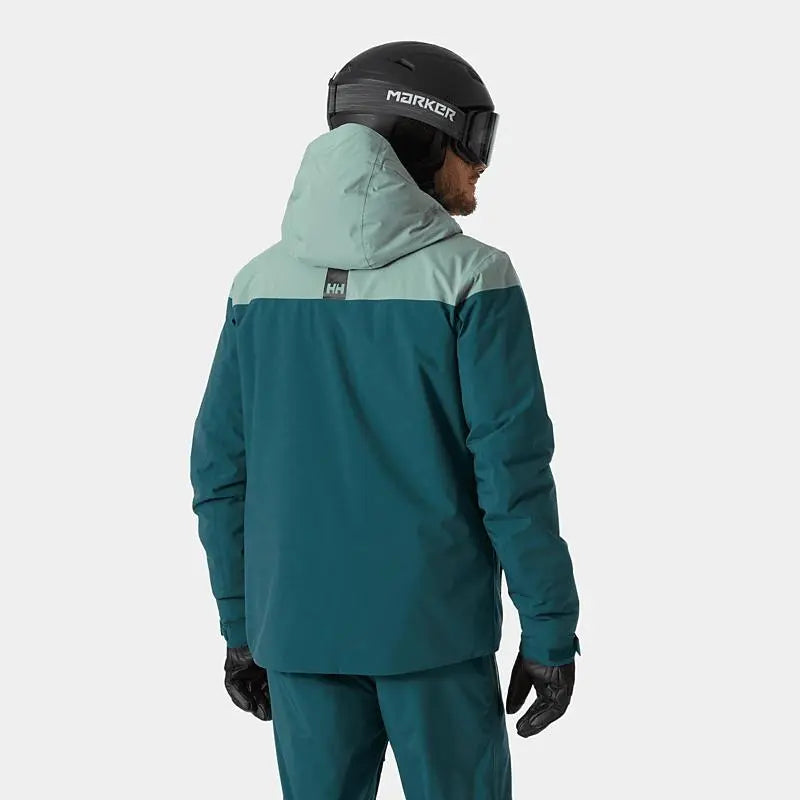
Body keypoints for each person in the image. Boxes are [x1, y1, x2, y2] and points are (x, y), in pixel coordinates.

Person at [190, 40, 581, 799]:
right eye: (474, 138)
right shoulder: (473, 277)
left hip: (296, 636)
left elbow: (219, 474)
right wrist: (548, 630)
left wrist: (242, 630)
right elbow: (512, 474)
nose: (482, 163)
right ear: (423, 138)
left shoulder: (256, 284)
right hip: (433, 638)